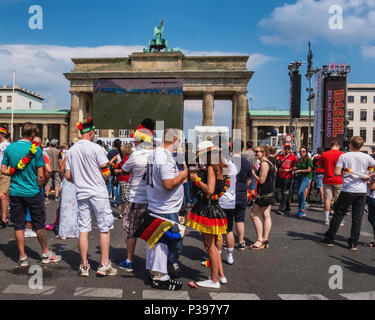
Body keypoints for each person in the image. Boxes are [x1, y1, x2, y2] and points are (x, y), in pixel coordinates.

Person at [1, 122, 61, 266]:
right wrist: (38, 187)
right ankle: (45, 253)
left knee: (19, 225)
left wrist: (12, 172)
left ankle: (22, 257)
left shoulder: (10, 148)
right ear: (33, 134)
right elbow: (41, 175)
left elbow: (3, 169)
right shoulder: (36, 150)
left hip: (15, 192)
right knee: (39, 224)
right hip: (32, 192)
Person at [65, 118, 117, 276]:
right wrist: (104, 178)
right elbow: (105, 171)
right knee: (104, 227)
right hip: (98, 192)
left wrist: (80, 180)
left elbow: (67, 176)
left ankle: (84, 265)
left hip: (82, 193)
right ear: (92, 132)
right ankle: (104, 264)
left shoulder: (71, 150)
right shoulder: (96, 148)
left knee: (84, 229)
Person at [319, 136, 375, 250]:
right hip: (361, 191)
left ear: (350, 144)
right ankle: (354, 243)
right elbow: (372, 169)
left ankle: (329, 238)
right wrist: (368, 175)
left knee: (338, 214)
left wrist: (346, 173)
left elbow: (336, 172)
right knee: (357, 218)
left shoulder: (344, 156)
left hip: (348, 190)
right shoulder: (367, 157)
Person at [147, 128, 188, 280]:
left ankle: (158, 270)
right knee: (171, 241)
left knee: (158, 241)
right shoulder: (163, 157)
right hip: (165, 206)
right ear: (174, 139)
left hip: (158, 203)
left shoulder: (155, 154)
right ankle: (163, 271)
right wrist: (183, 174)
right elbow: (168, 184)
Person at [187, 141, 228, 288]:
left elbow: (209, 190)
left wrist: (196, 180)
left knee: (209, 245)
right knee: (213, 245)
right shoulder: (221, 168)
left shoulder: (211, 168)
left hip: (208, 209)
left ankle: (214, 279)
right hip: (215, 208)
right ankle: (221, 275)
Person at [118, 119, 155, 272]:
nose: (133, 141)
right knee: (152, 232)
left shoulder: (135, 155)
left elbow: (125, 171)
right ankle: (152, 263)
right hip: (152, 199)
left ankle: (129, 260)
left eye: (135, 139)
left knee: (131, 231)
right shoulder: (155, 154)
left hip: (136, 198)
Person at [249, 145, 275, 250]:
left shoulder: (264, 163)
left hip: (264, 194)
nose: (255, 154)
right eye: (255, 152)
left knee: (253, 215)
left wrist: (253, 173)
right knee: (266, 214)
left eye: (257, 152)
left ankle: (260, 239)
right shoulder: (267, 162)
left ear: (263, 153)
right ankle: (265, 239)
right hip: (269, 193)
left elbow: (261, 180)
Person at [58, 138, 79, 239]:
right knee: (76, 207)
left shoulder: (69, 154)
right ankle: (75, 231)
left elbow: (61, 169)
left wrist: (62, 179)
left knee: (66, 207)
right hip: (77, 181)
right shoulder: (81, 155)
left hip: (68, 181)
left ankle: (64, 233)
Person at [319, 141, 344, 225]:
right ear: (338, 146)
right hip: (338, 179)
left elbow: (320, 166)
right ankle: (338, 220)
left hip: (327, 179)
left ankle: (326, 219)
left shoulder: (325, 154)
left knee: (327, 199)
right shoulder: (341, 154)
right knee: (339, 200)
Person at [233, 140, 252, 250]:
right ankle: (241, 242)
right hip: (242, 192)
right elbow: (249, 180)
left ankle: (226, 241)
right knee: (240, 219)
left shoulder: (227, 161)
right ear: (242, 148)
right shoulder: (246, 163)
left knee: (228, 219)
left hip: (229, 193)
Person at [276, 145, 298, 215]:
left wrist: (289, 170)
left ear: (290, 149)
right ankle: (287, 207)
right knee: (284, 192)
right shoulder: (281, 156)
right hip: (281, 176)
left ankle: (281, 208)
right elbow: (276, 160)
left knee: (285, 192)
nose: (286, 150)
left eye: (288, 149)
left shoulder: (293, 157)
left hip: (289, 177)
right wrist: (279, 153)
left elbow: (295, 167)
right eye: (285, 148)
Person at [294, 147, 313, 217]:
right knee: (299, 194)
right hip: (298, 177)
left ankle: (302, 209)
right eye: (300, 151)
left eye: (303, 151)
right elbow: (296, 166)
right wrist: (295, 168)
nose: (301, 152)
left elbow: (309, 170)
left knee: (300, 192)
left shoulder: (308, 160)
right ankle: (301, 209)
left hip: (306, 177)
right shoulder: (299, 159)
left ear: (306, 152)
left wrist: (299, 170)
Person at [115, 144, 133, 219]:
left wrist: (118, 170)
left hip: (125, 179)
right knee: (123, 197)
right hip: (123, 179)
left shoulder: (127, 158)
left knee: (124, 197)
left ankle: (125, 212)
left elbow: (126, 169)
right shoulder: (126, 157)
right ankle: (122, 212)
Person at [0, 125, 11, 229]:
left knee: (2, 195)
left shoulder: (8, 145)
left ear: (2, 134)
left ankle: (3, 219)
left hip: (4, 172)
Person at [107, 139, 122, 207]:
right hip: (122, 172)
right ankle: (118, 201)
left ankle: (109, 197)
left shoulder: (110, 152)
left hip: (113, 170)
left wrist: (114, 165)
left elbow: (108, 161)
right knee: (119, 186)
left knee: (112, 184)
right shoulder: (121, 152)